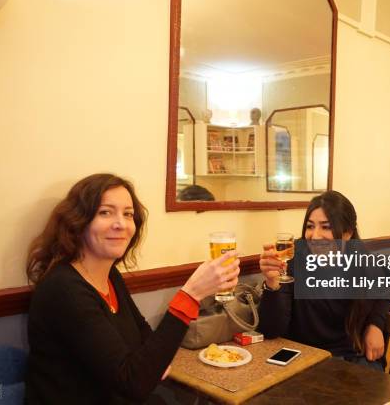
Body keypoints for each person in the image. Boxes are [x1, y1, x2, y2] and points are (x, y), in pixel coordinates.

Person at [25, 173, 239, 404]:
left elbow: (141, 332)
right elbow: (133, 384)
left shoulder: (110, 275)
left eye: (128, 214)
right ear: (78, 221)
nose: (121, 224)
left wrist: (152, 365)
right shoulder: (63, 288)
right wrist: (191, 295)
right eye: (105, 212)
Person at [257, 190, 390, 370]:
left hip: (350, 357)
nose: (315, 235)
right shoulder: (293, 260)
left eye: (326, 227)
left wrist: (375, 325)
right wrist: (272, 284)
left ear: (347, 234)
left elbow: (384, 284)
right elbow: (271, 330)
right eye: (310, 226)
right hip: (302, 357)